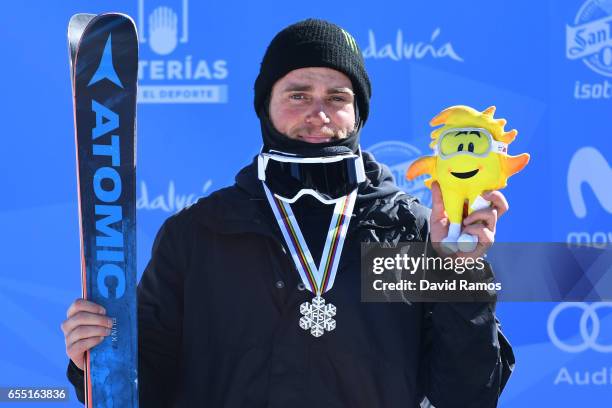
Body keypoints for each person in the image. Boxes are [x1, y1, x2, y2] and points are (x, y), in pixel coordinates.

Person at [62, 18, 514, 407]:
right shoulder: (201, 233)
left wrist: (459, 272)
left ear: (359, 114)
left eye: (337, 98)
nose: (319, 113)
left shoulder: (407, 232)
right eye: (298, 95)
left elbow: (465, 395)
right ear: (265, 104)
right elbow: (146, 389)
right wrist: (99, 359)